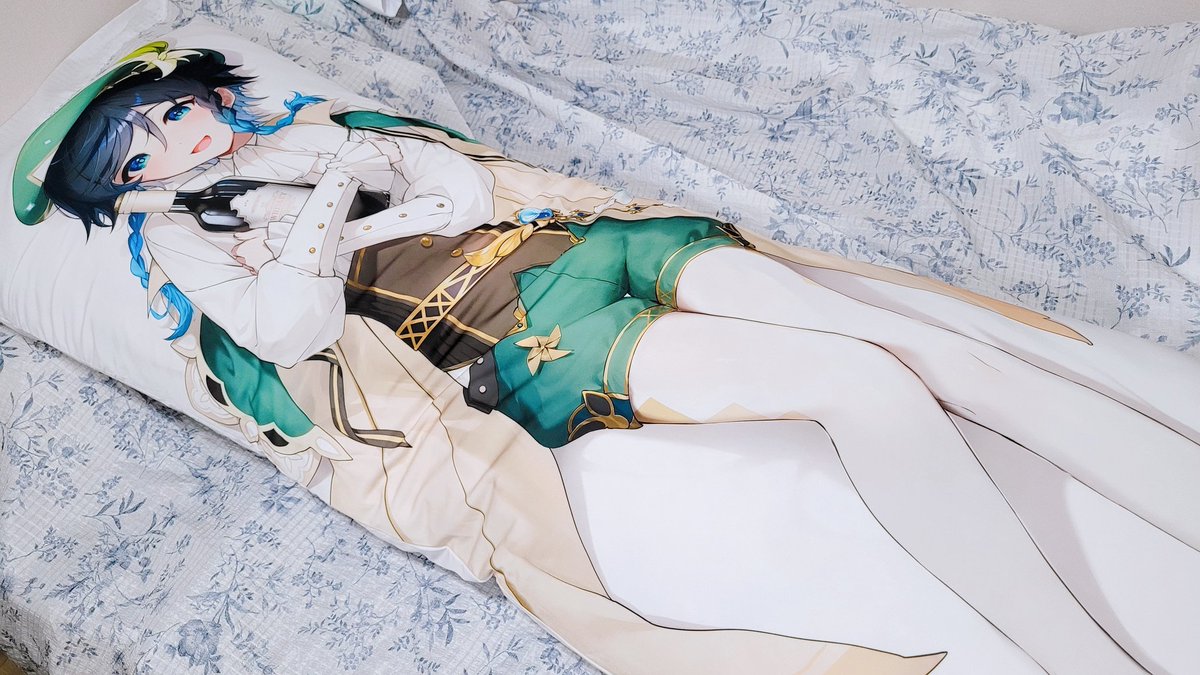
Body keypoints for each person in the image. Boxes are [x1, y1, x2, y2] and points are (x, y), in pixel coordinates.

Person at [14, 41, 1200, 674]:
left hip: (585, 240)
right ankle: (1080, 656)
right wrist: (337, 203)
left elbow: (457, 188)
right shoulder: (190, 241)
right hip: (513, 327)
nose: (175, 141)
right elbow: (289, 329)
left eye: (168, 110)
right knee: (864, 386)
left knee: (942, 352)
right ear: (129, 194)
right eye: (138, 159)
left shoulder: (313, 131)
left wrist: (334, 209)